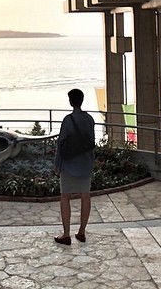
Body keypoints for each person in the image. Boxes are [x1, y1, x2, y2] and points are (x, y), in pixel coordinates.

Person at [53, 88, 95, 245]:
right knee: (85, 196)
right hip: (85, 164)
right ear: (82, 100)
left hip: (69, 164)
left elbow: (61, 144)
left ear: (71, 101)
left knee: (65, 196)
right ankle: (82, 232)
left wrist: (57, 164)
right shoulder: (90, 119)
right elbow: (90, 142)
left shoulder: (68, 120)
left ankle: (66, 234)